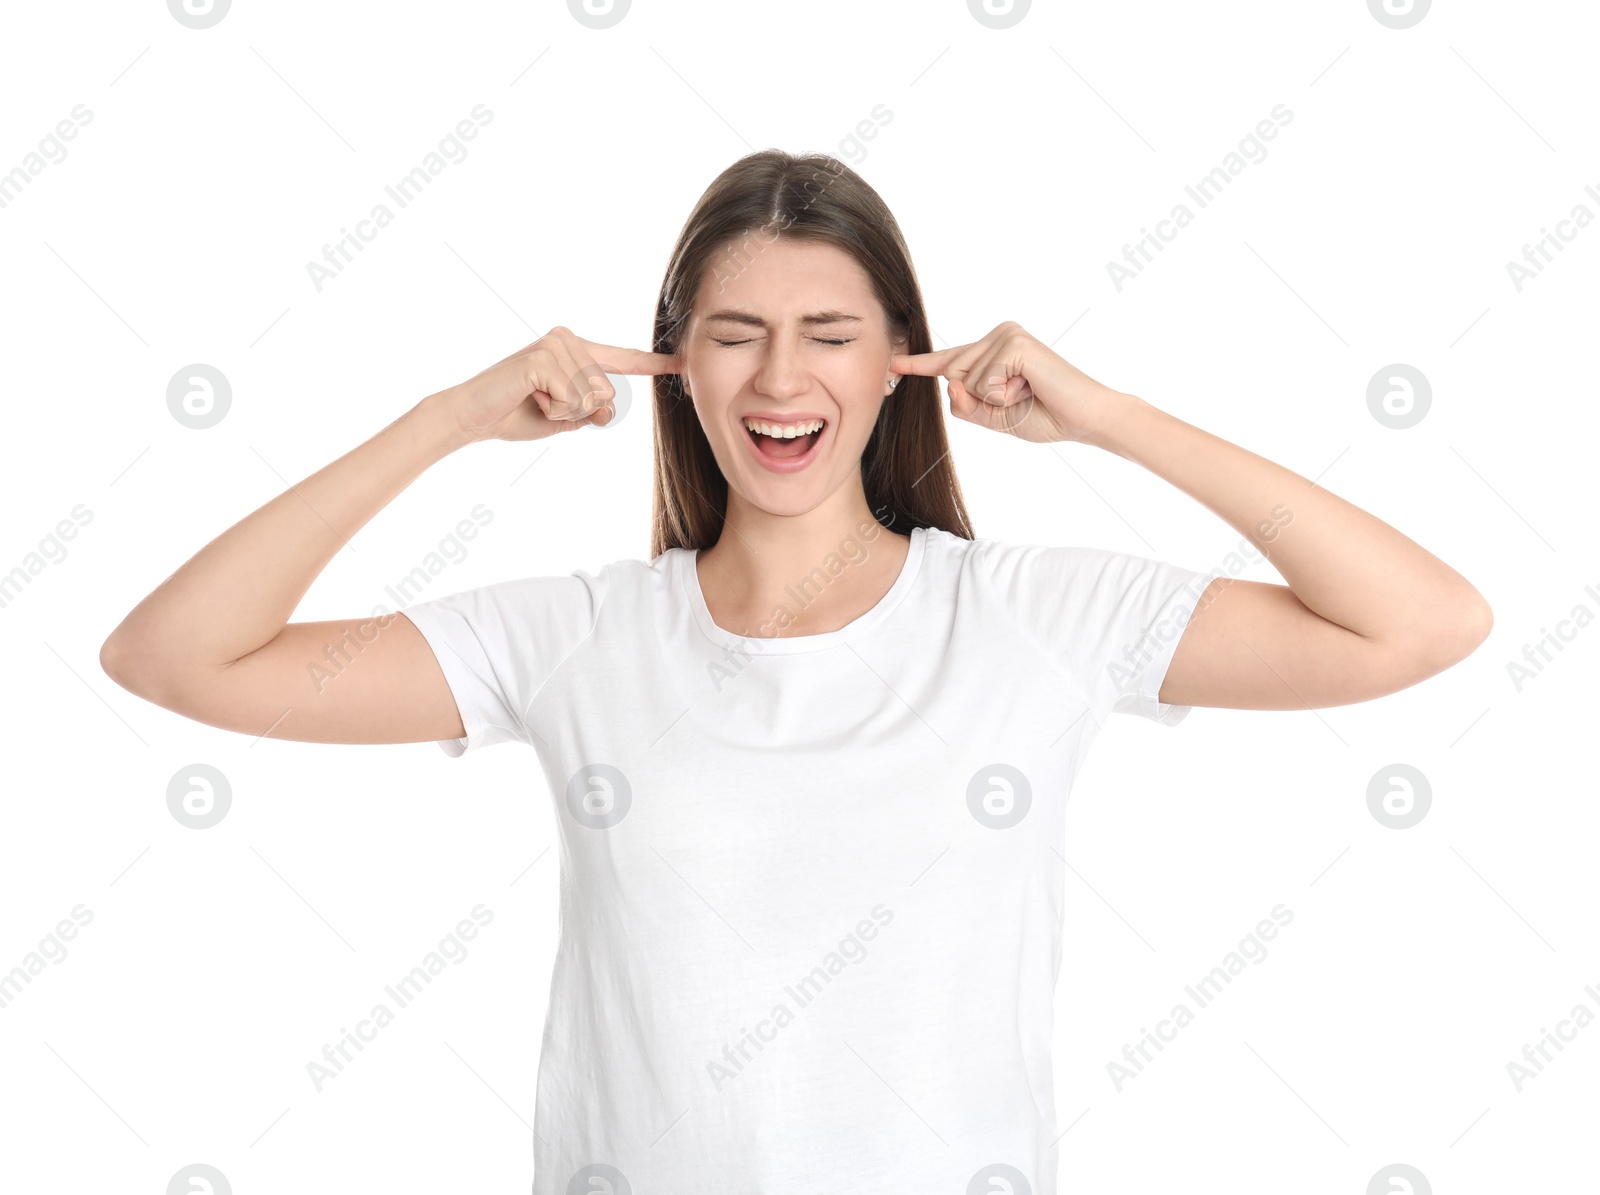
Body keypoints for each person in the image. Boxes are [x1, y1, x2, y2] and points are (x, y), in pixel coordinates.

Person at [100, 150, 1491, 1193]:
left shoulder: (1035, 613)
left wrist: (1115, 420)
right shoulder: (576, 637)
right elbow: (174, 657)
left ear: (901, 364)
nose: (782, 379)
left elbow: (1420, 624)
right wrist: (448, 419)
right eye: (733, 334)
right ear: (674, 368)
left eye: (830, 336)